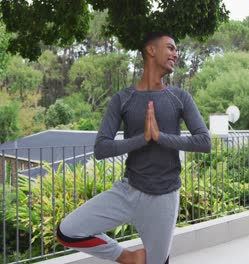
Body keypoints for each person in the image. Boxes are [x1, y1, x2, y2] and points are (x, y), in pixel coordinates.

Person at [56, 32, 211, 264]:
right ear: (151, 50)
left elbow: (204, 142)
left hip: (164, 198)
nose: (175, 54)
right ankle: (128, 257)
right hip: (127, 191)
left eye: (176, 50)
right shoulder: (123, 98)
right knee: (67, 231)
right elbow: (101, 148)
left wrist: (160, 137)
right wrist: (142, 139)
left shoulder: (180, 97)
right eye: (170, 48)